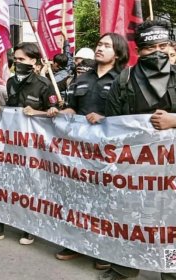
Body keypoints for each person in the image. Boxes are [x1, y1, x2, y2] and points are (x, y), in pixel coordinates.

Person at [104, 19, 176, 280]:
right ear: (138, 50)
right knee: (130, 220)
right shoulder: (123, 81)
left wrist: (174, 121)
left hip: (172, 172)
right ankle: (123, 268)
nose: (157, 52)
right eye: (150, 48)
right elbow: (111, 126)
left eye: (163, 45)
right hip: (134, 169)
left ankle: (170, 271)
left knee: (172, 223)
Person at [52, 33, 129, 269]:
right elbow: (73, 108)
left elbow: (130, 117)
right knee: (78, 197)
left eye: (106, 45)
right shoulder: (82, 78)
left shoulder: (126, 79)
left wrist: (107, 119)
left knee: (107, 202)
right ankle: (77, 244)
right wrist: (63, 112)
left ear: (118, 53)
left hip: (110, 153)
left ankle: (106, 251)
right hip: (81, 152)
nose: (100, 48)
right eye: (99, 44)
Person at [0, 42, 59, 243]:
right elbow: (10, 110)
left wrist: (38, 112)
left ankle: (30, 228)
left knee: (30, 187)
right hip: (10, 143)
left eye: (22, 59)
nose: (17, 62)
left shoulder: (44, 85)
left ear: (33, 61)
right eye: (16, 59)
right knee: (1, 184)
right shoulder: (11, 82)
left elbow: (56, 117)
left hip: (33, 148)